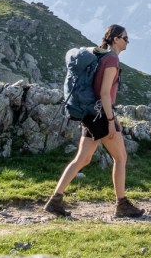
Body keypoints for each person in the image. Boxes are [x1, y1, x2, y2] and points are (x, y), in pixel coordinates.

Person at [44, 24, 145, 219]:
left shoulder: (100, 56)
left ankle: (55, 200)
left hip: (90, 113)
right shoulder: (112, 60)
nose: (127, 42)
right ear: (115, 39)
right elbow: (105, 94)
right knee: (121, 158)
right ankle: (122, 204)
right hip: (100, 114)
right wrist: (110, 121)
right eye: (125, 38)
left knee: (82, 159)